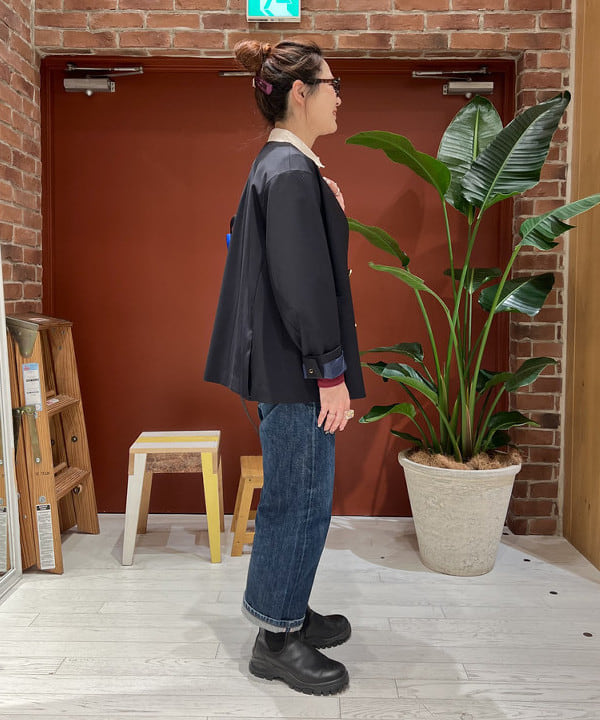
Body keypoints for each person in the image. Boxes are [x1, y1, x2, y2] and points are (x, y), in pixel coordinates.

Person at [204, 38, 365, 695]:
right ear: (301, 93)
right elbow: (301, 285)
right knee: (300, 501)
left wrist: (329, 208)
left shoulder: (279, 165)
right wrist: (330, 373)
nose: (339, 97)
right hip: (299, 371)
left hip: (283, 364)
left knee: (299, 496)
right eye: (332, 85)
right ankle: (276, 639)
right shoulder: (292, 172)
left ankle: (288, 610)